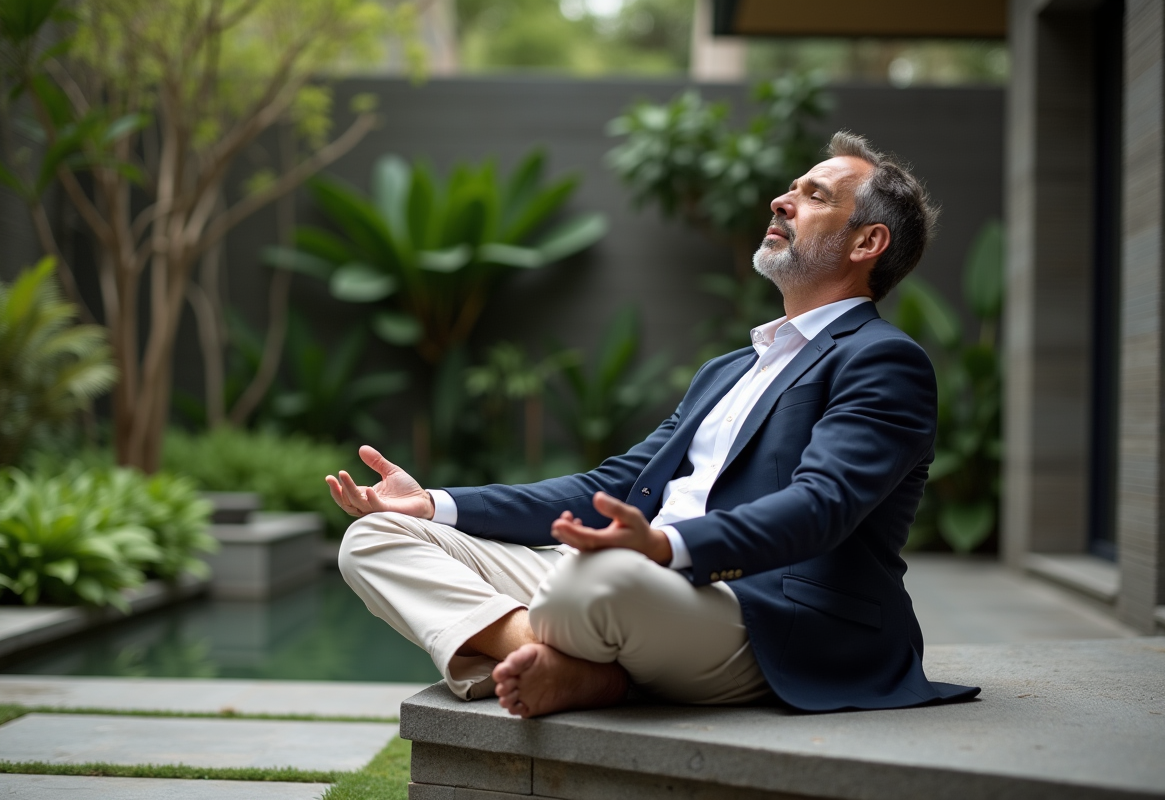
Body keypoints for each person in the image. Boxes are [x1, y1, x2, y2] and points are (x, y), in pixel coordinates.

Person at [328, 130, 980, 718]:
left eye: (812, 196)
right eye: (788, 190)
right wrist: (433, 504)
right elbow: (611, 485)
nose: (781, 202)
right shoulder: (729, 369)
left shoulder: (883, 361)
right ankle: (568, 661)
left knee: (593, 580)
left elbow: (820, 507)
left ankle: (588, 664)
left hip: (761, 617)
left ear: (868, 242)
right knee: (376, 537)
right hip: (633, 589)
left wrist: (666, 548)